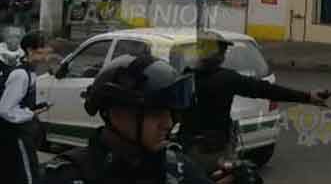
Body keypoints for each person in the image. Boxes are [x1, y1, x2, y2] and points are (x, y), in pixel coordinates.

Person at [41, 54, 235, 184]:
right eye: (154, 113)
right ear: (115, 113)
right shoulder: (68, 176)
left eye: (170, 113)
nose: (167, 124)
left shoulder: (177, 168)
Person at [177, 31, 331, 173]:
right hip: (214, 152)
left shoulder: (185, 78)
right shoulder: (226, 79)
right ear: (215, 54)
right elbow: (265, 90)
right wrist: (308, 97)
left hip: (188, 151)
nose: (224, 56)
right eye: (222, 51)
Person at [0, 31, 53, 184]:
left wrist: (35, 109)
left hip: (22, 132)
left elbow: (20, 102)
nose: (47, 50)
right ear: (30, 50)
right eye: (43, 47)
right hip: (16, 135)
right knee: (28, 175)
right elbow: (5, 110)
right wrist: (30, 113)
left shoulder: (30, 72)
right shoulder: (20, 74)